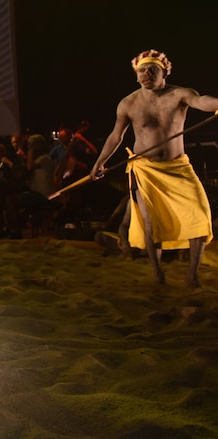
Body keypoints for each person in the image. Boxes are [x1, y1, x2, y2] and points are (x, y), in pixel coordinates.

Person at [90, 49, 218, 288]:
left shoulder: (180, 94)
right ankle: (158, 273)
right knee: (151, 224)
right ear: (136, 75)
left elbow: (202, 102)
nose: (146, 74)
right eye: (142, 71)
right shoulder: (128, 103)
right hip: (145, 170)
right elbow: (115, 137)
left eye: (152, 70)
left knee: (201, 215)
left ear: (164, 72)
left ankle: (192, 274)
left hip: (178, 167)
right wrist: (100, 162)